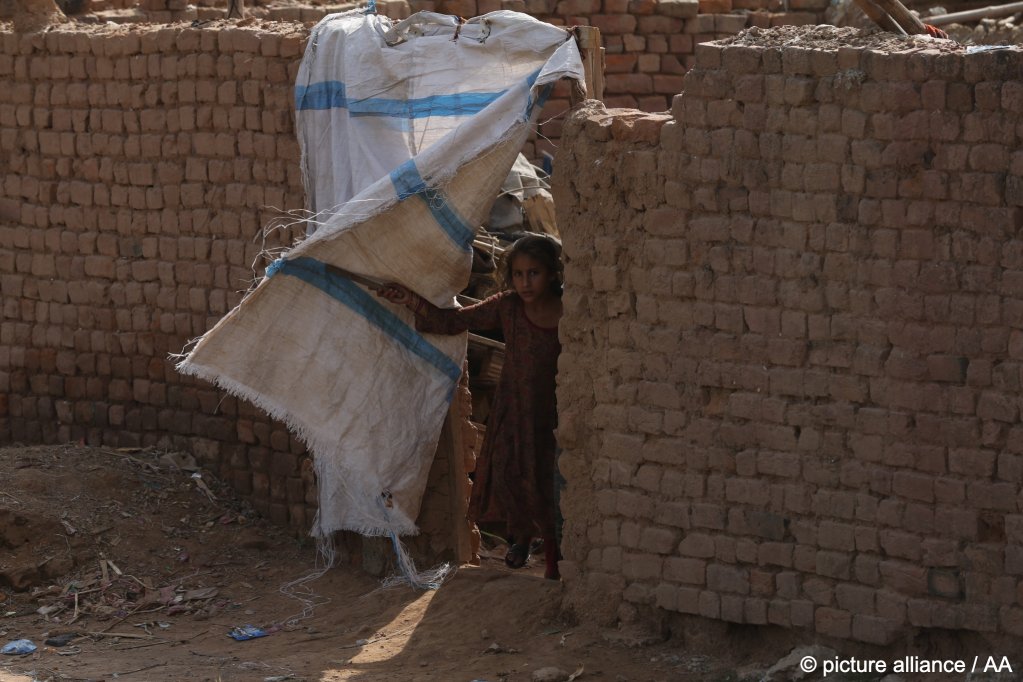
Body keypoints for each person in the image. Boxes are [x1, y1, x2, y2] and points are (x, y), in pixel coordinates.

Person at [377, 235, 564, 579]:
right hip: (515, 411)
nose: (525, 282)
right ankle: (520, 538)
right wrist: (411, 301)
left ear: (552, 274)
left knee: (551, 485)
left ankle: (553, 561)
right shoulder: (508, 307)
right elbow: (453, 320)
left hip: (553, 415)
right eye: (519, 274)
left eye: (534, 273)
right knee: (515, 477)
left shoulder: (568, 311)